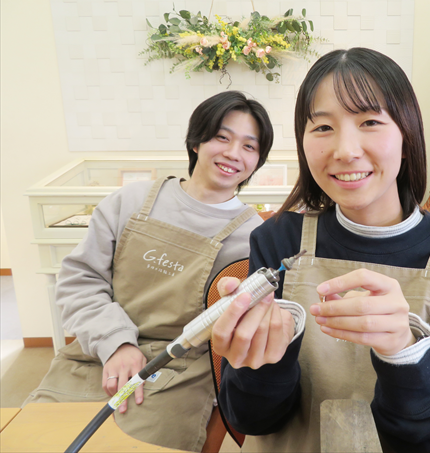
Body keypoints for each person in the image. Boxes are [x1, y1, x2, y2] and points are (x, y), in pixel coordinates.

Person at [211, 48, 430, 453]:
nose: (345, 150)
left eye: (370, 121)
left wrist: (404, 352)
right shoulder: (278, 240)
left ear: (407, 137)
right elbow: (251, 418)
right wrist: (258, 360)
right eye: (322, 128)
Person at [24, 91, 274, 452]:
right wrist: (118, 344)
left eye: (249, 147)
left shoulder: (252, 237)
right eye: (222, 137)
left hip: (176, 376)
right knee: (37, 439)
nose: (234, 153)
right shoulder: (130, 201)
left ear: (257, 161)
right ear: (196, 141)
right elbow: (81, 281)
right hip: (95, 356)